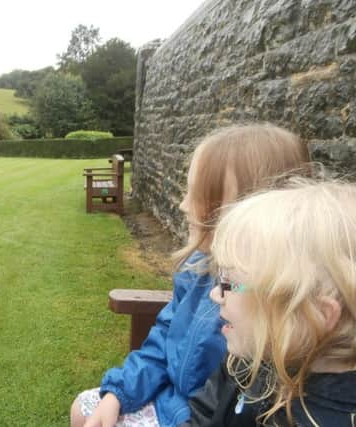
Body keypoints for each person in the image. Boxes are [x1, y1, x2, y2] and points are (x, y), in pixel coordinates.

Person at [70, 123, 311, 427]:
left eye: (199, 195)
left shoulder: (264, 308)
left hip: (196, 417)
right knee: (85, 409)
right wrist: (118, 394)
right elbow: (162, 341)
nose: (183, 205)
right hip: (168, 398)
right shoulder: (197, 269)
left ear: (253, 212)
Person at [188, 179, 356, 426]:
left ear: (317, 314)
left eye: (230, 283)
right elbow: (204, 414)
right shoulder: (252, 357)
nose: (216, 294)